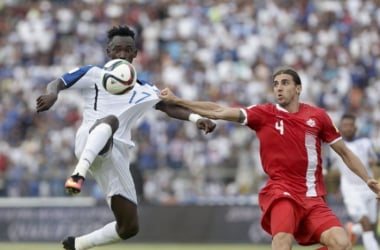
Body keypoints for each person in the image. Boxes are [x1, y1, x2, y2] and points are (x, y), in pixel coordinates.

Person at [36, 25, 216, 250]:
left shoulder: (145, 89)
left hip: (117, 157)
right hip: (88, 143)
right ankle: (78, 173)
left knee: (129, 227)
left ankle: (78, 245)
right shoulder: (93, 74)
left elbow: (168, 107)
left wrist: (195, 119)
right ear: (108, 52)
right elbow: (58, 82)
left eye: (127, 50)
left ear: (135, 54)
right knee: (111, 121)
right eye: (117, 49)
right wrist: (52, 94)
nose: (122, 54)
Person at [158, 67, 380, 250]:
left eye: (284, 82)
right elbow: (218, 110)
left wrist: (368, 179)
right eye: (275, 84)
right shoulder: (263, 114)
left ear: (298, 88)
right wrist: (179, 100)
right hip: (281, 191)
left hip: (313, 197)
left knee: (342, 244)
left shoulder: (318, 116)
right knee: (282, 244)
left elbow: (344, 152)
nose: (279, 88)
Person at [328, 113, 379, 250]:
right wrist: (333, 187)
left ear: (356, 127)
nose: (348, 128)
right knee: (366, 223)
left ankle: (353, 229)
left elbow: (377, 160)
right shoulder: (335, 147)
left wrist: (375, 162)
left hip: (368, 187)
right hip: (351, 190)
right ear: (340, 128)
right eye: (345, 126)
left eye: (351, 125)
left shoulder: (366, 143)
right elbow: (327, 167)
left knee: (372, 225)